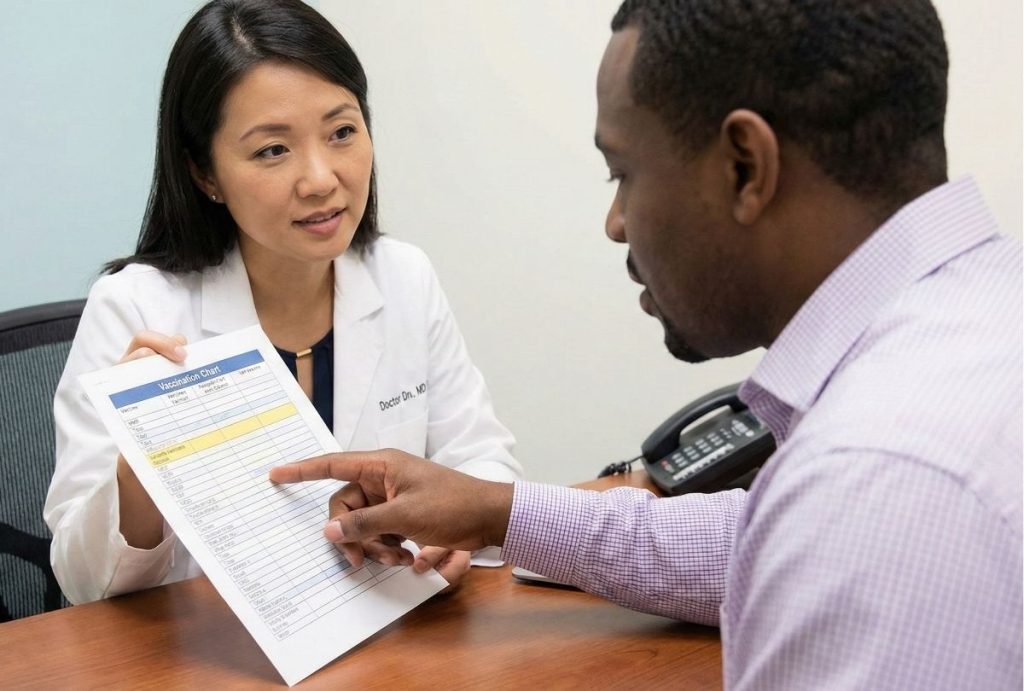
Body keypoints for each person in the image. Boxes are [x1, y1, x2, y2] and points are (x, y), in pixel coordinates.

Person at [271, 0, 1023, 688]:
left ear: (745, 167)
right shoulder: (984, 309)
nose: (617, 223)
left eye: (623, 172)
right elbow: (763, 540)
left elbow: (834, 528)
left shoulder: (879, 485)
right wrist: (502, 511)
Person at [44, 0, 522, 605]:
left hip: (392, 631)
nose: (321, 178)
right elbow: (84, 582)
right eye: (273, 150)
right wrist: (140, 462)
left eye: (342, 132)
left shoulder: (403, 275)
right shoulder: (135, 309)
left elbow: (483, 462)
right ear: (205, 173)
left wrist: (456, 532)